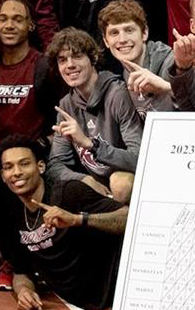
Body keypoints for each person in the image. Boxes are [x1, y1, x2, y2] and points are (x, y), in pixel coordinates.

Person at [0, 134, 127, 310]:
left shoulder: (69, 192)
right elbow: (21, 271)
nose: (16, 172)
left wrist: (77, 219)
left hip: (118, 290)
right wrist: (24, 291)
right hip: (77, 302)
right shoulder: (12, 214)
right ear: (3, 176)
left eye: (24, 164)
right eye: (9, 167)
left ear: (40, 167)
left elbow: (130, 217)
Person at [45, 29, 141, 203]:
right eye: (62, 60)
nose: (70, 65)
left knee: (120, 183)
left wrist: (91, 145)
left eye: (77, 56)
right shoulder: (66, 104)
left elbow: (139, 159)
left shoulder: (118, 94)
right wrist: (85, 179)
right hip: (96, 185)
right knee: (67, 186)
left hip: (129, 180)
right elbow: (54, 166)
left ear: (93, 59)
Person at [0, 0, 57, 145]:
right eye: (3, 19)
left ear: (31, 25)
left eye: (18, 19)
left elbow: (63, 119)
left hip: (33, 161)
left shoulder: (45, 67)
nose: (9, 25)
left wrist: (41, 146)